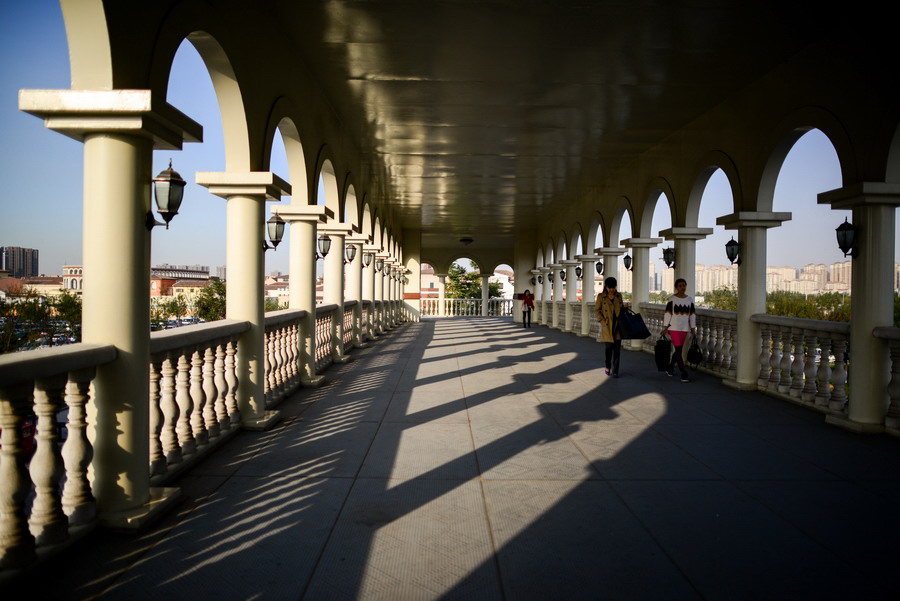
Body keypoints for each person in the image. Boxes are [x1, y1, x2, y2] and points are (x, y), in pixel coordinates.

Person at [662, 278, 697, 382]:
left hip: (684, 328)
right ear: (676, 287)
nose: (683, 287)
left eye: (684, 285)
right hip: (673, 328)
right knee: (678, 350)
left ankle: (670, 368)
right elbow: (668, 314)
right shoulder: (672, 299)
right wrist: (665, 327)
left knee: (679, 350)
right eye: (680, 286)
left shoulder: (689, 300)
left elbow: (692, 315)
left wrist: (693, 328)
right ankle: (683, 373)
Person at [595, 276, 624, 377]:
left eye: (613, 287)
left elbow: (621, 309)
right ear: (606, 287)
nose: (611, 290)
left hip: (617, 326)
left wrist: (624, 308)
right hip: (607, 326)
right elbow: (597, 310)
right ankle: (608, 366)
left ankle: (615, 371)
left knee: (617, 350)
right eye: (609, 288)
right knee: (608, 349)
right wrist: (602, 321)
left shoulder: (619, 296)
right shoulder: (601, 297)